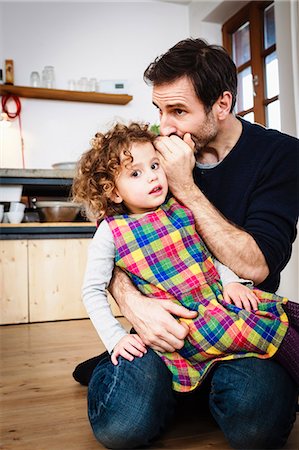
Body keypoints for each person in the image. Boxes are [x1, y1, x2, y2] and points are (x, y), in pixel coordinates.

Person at [73, 38, 299, 449]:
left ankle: (186, 393)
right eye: (159, 109)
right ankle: (155, 382)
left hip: (233, 322)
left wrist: (187, 187)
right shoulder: (154, 154)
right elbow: (120, 238)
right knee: (121, 426)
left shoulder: (280, 156)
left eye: (178, 111)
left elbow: (258, 265)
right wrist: (132, 303)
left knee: (258, 429)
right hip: (165, 325)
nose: (165, 126)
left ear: (222, 104)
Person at [73, 120, 299, 396]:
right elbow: (92, 290)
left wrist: (231, 282)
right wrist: (115, 338)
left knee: (287, 311)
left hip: (218, 299)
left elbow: (208, 257)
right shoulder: (110, 232)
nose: (152, 177)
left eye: (155, 166)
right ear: (114, 192)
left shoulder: (178, 209)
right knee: (275, 332)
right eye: (135, 174)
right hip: (190, 323)